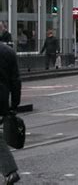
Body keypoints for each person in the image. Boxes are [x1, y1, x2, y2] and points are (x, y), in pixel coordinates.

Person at [0, 42, 21, 184]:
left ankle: (10, 170)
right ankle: (9, 171)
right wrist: (14, 103)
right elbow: (15, 81)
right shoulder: (8, 52)